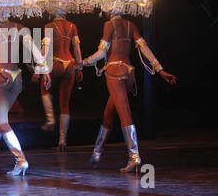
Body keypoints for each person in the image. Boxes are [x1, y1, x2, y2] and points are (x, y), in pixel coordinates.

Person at [73, 11, 176, 172]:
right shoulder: (131, 25)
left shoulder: (109, 25)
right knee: (109, 113)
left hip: (115, 72)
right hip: (129, 73)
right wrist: (160, 69)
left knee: (124, 113)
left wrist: (82, 63)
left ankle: (134, 156)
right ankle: (97, 152)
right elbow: (144, 48)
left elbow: (102, 53)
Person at [0, 13, 51, 176]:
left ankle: (21, 160)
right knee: (1, 117)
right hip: (16, 78)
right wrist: (45, 70)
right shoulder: (19, 27)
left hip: (0, 76)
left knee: (2, 122)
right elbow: (34, 50)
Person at [35, 9, 83, 152]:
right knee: (65, 105)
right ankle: (62, 139)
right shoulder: (73, 26)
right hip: (70, 64)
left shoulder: (49, 26)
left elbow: (45, 50)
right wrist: (80, 68)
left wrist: (38, 69)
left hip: (55, 64)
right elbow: (77, 49)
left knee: (44, 89)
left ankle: (50, 119)